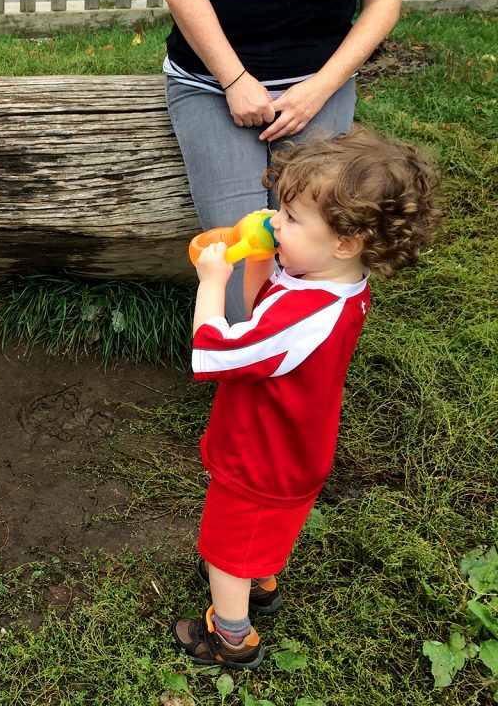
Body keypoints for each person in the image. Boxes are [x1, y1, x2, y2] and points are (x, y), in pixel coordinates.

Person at [169, 129, 441, 669]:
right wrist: (258, 262)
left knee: (224, 545)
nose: (274, 222)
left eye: (291, 219)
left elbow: (216, 351)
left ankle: (230, 636)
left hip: (258, 456)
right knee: (272, 522)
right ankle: (261, 579)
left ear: (345, 241)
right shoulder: (339, 284)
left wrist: (210, 281)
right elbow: (262, 318)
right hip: (297, 448)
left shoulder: (304, 316)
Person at [162, 0, 402, 323]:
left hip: (321, 86)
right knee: (242, 242)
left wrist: (321, 88)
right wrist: (234, 79)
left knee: (320, 237)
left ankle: (303, 358)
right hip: (213, 84)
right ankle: (247, 361)